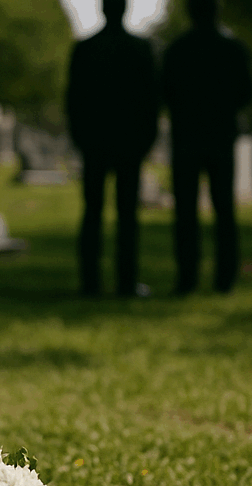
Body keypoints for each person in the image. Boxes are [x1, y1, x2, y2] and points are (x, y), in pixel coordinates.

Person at [66, 0, 159, 298]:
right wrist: (146, 139)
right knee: (127, 216)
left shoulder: (86, 48)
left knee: (92, 213)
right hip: (128, 143)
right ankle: (126, 282)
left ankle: (90, 282)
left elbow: (74, 99)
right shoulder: (139, 49)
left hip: (95, 141)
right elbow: (150, 100)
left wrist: (81, 138)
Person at [162, 0, 252, 295]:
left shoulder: (178, 50)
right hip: (219, 137)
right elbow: (246, 92)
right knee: (224, 209)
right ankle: (224, 278)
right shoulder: (232, 49)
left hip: (187, 137)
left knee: (186, 212)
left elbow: (164, 91)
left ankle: (187, 277)